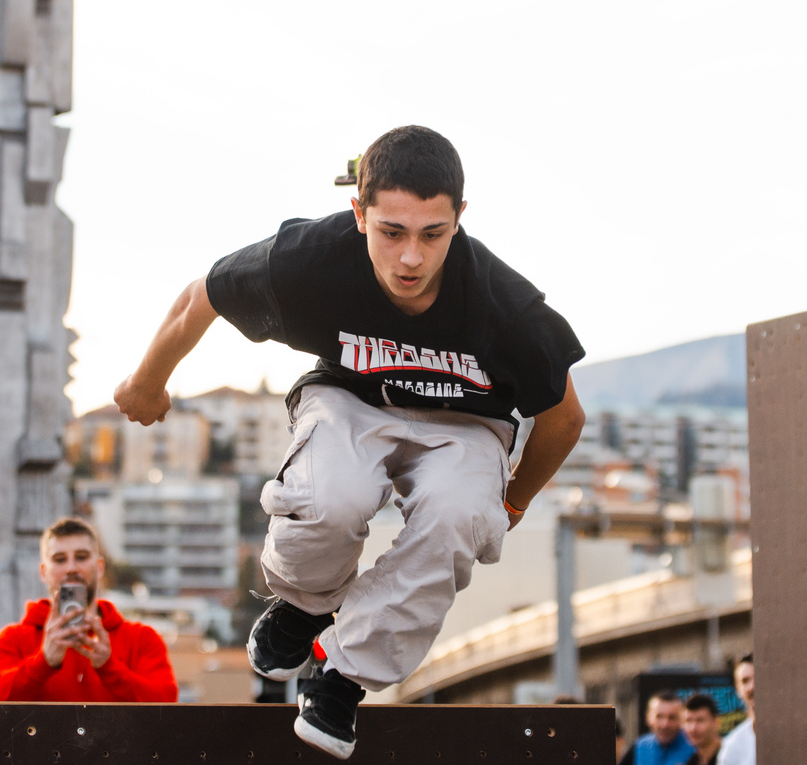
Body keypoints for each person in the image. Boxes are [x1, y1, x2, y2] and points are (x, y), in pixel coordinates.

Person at [115, 125, 586, 759]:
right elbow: (201, 297)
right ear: (359, 214)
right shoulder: (309, 258)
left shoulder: (507, 305)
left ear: (459, 219)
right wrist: (147, 382)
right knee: (332, 495)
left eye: (433, 235)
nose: (411, 259)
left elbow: (564, 419)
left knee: (460, 517)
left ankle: (342, 674)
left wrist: (513, 502)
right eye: (391, 232)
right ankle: (306, 603)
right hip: (350, 399)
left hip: (468, 422)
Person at [0, 517, 177, 702]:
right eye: (59, 559)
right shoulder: (13, 639)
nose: (71, 568)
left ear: (99, 567)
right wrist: (43, 662)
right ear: (43, 572)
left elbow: (166, 705)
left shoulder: (142, 639)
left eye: (81, 557)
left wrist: (109, 667)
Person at [618, 691, 694, 765]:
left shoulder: (694, 749)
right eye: (659, 716)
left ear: (681, 719)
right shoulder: (639, 747)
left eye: (672, 717)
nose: (665, 724)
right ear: (648, 717)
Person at [719, 655, 756, 765]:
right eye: (745, 681)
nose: (752, 686)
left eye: (758, 677)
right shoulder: (732, 746)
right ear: (738, 689)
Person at [683, 693, 722, 765]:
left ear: (716, 722)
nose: (693, 728)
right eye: (688, 721)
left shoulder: (731, 756)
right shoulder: (690, 761)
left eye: (700, 720)